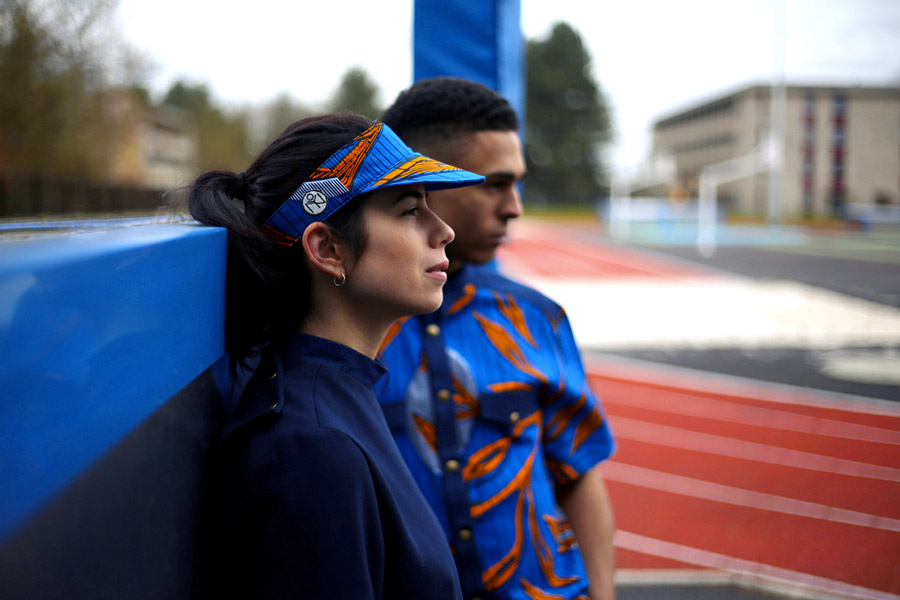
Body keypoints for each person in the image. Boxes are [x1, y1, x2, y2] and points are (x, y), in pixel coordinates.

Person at [190, 113, 485, 599]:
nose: (444, 231)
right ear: (327, 249)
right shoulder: (314, 448)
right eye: (410, 211)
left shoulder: (333, 399)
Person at [375, 78, 618, 600]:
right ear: (424, 179)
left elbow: (577, 474)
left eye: (517, 184)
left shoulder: (536, 318)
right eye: (495, 184)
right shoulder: (353, 324)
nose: (514, 207)